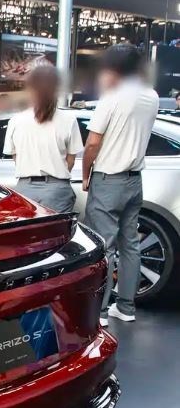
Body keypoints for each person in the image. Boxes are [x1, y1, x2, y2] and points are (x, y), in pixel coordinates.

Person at [82, 43, 158, 326]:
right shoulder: (152, 96)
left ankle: (100, 312)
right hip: (134, 181)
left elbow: (93, 143)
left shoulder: (112, 97)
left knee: (104, 246)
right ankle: (126, 307)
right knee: (131, 246)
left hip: (108, 180)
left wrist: (86, 174)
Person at [3, 65, 83, 215]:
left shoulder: (16, 121)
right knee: (57, 230)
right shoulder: (69, 120)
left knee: (28, 231)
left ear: (30, 88)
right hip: (57, 191)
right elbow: (70, 161)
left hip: (25, 190)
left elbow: (16, 157)